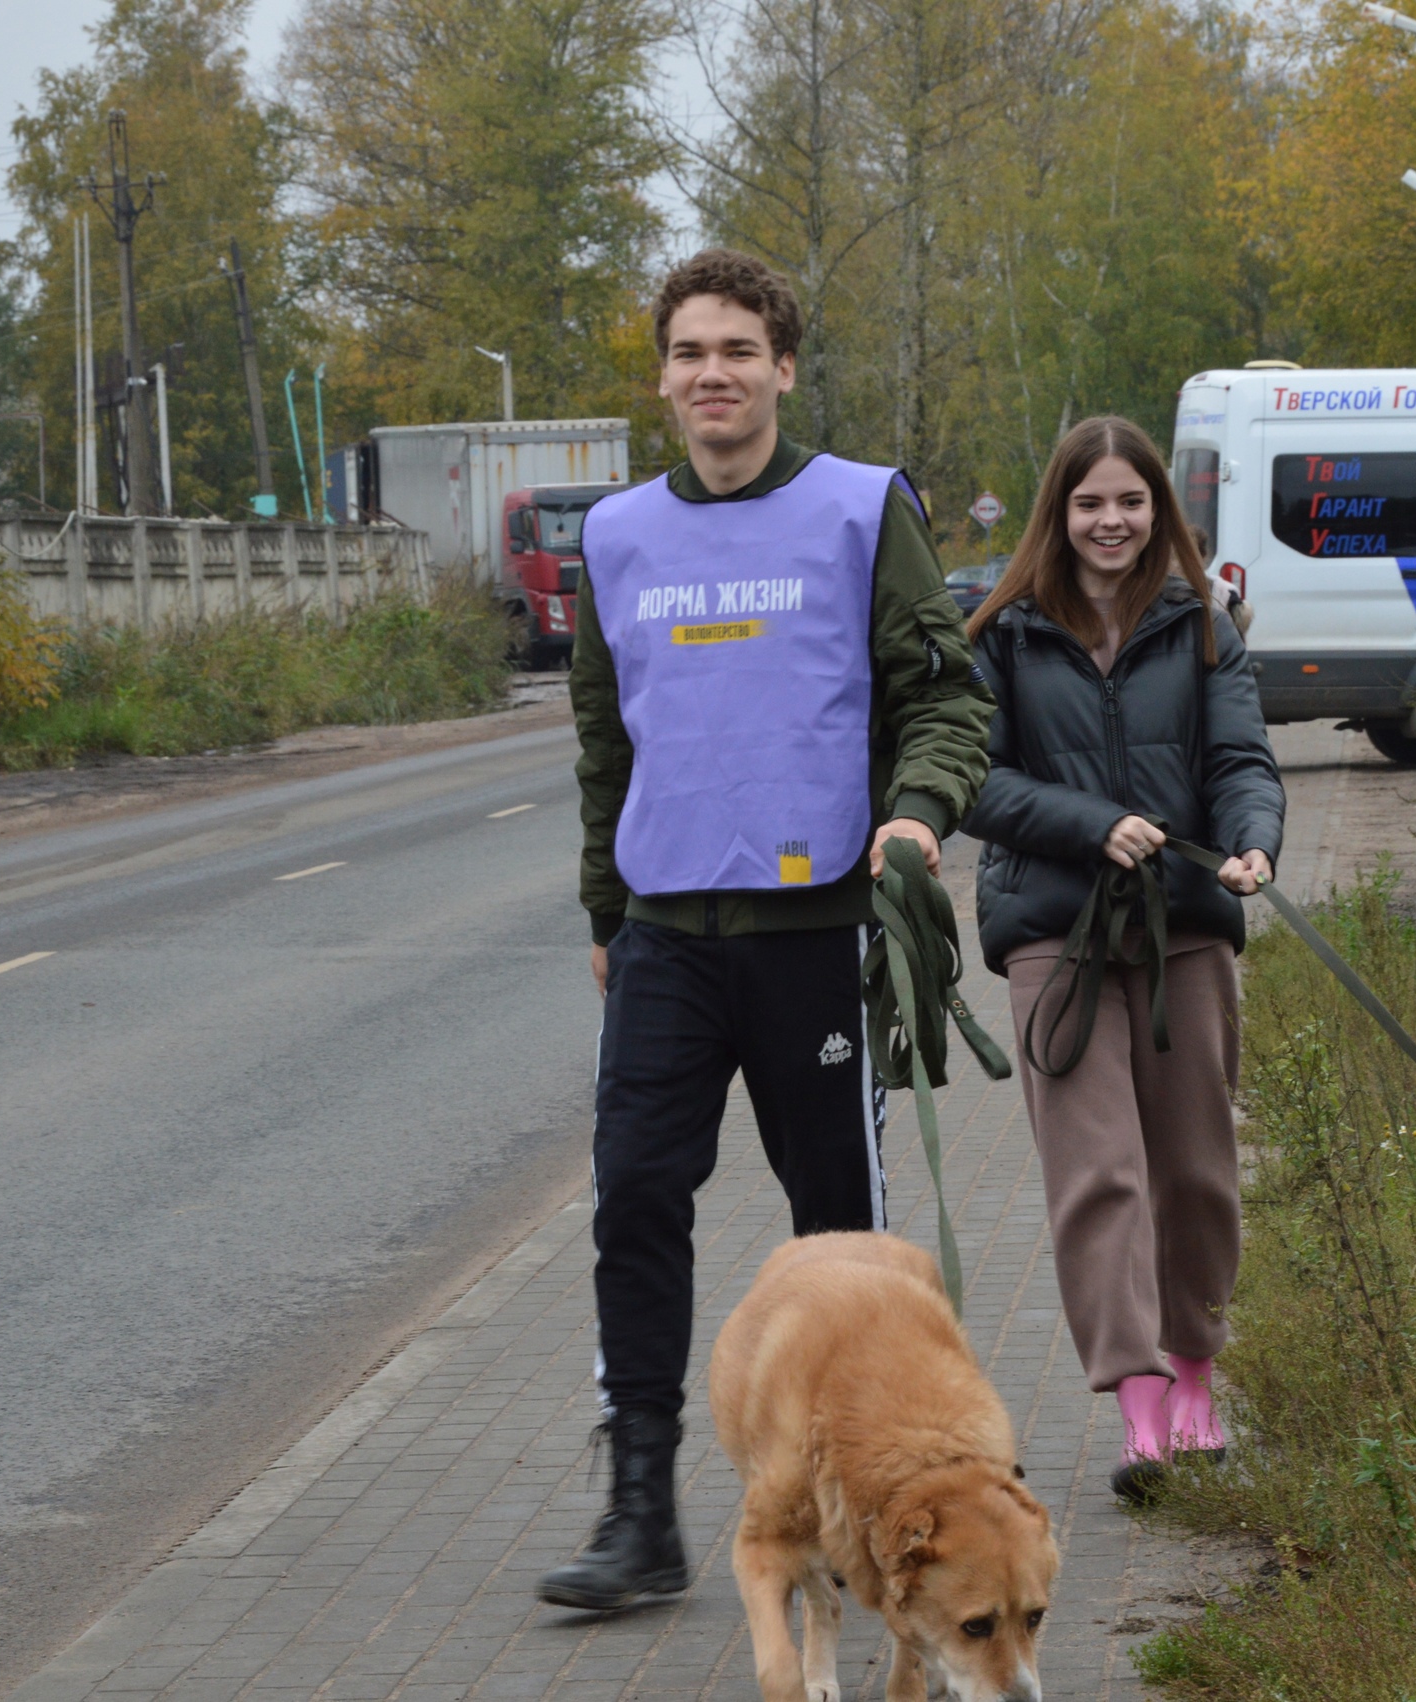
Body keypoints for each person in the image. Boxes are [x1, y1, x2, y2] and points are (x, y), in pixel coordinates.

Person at [542, 249, 995, 1610]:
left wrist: (916, 818)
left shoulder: (863, 511)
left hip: (819, 932)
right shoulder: (617, 535)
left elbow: (946, 697)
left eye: (739, 349)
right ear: (664, 377)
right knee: (632, 1203)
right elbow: (600, 740)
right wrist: (606, 911)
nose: (714, 375)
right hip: (670, 938)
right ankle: (642, 1512)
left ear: (784, 368)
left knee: (840, 1240)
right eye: (689, 352)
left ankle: (874, 1502)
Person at [962, 416, 1284, 1502]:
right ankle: (1140, 1406)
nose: (1111, 521)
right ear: (1058, 512)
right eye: (1089, 502)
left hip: (1186, 925)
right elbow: (972, 781)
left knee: (1194, 1170)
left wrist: (1252, 840)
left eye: (1130, 502)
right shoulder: (1000, 636)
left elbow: (1242, 756)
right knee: (1099, 1175)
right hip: (1054, 936)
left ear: (1160, 512)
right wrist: (1087, 820)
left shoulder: (1203, 627)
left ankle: (1196, 1378)